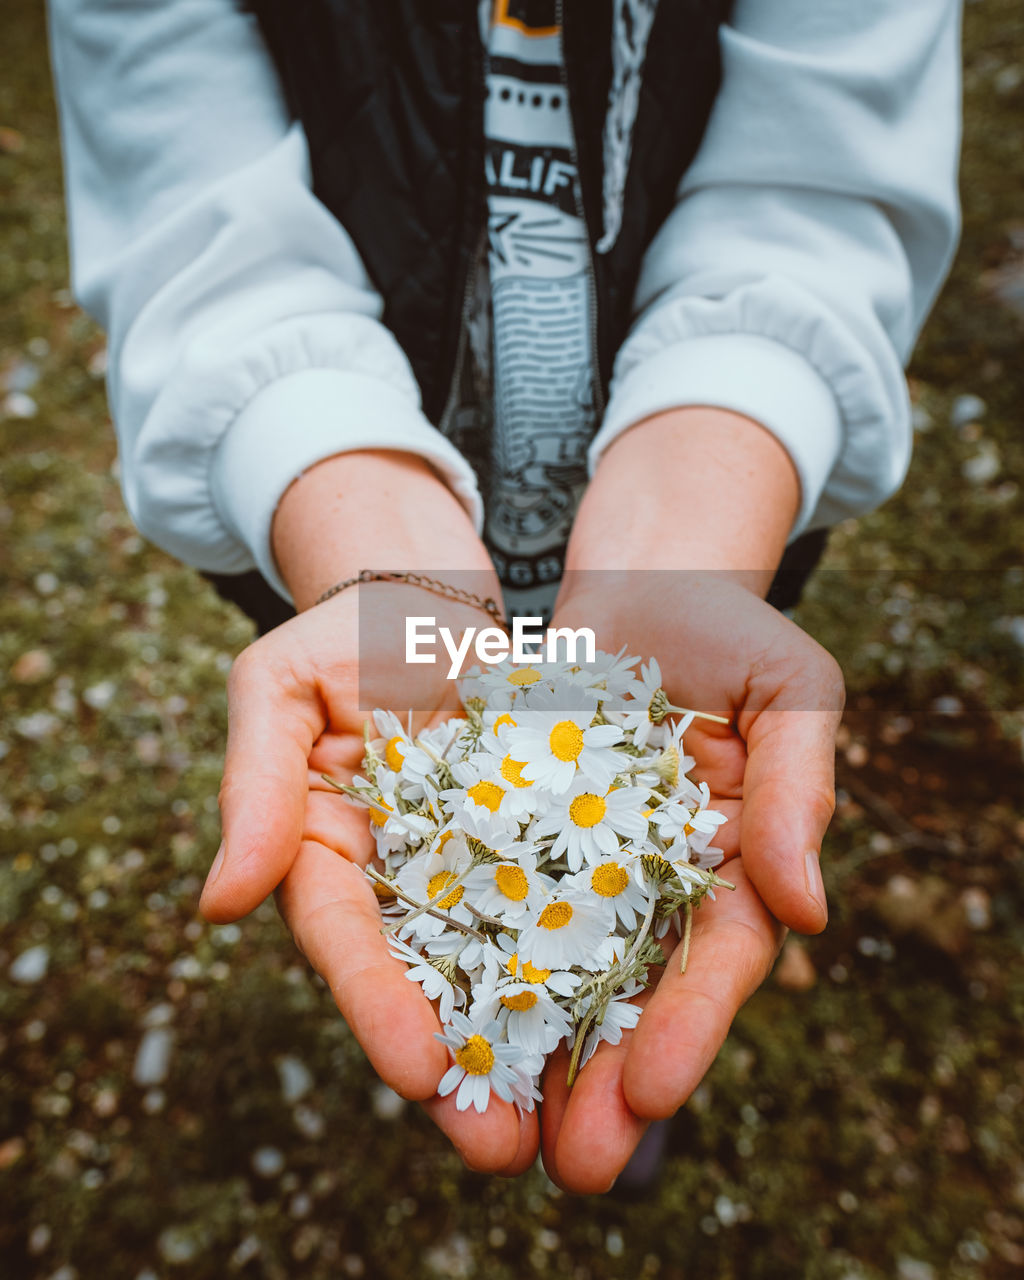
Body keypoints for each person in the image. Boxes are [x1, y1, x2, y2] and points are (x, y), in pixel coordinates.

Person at [47, 0, 961, 1192]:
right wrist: (346, 496)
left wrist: (708, 482)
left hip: (706, 499)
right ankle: (517, 1020)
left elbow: (824, 172)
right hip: (347, 511)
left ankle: (596, 1022)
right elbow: (178, 159)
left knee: (669, 878)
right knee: (400, 810)